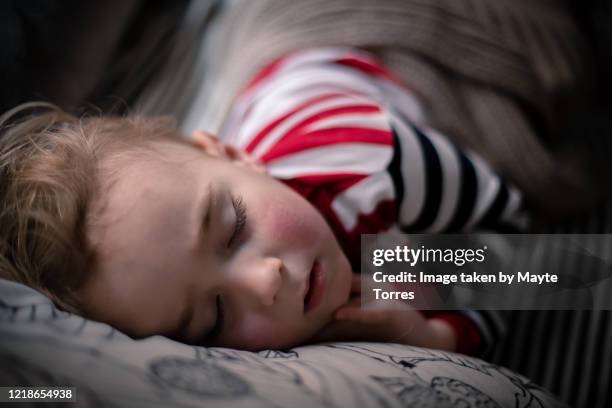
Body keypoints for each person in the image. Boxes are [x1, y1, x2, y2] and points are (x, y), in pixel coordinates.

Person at [0, 47, 524, 355]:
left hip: (335, 65)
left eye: (233, 229)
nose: (265, 281)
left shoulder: (369, 165)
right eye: (214, 317)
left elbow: (533, 247)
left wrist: (440, 334)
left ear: (233, 154)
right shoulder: (203, 205)